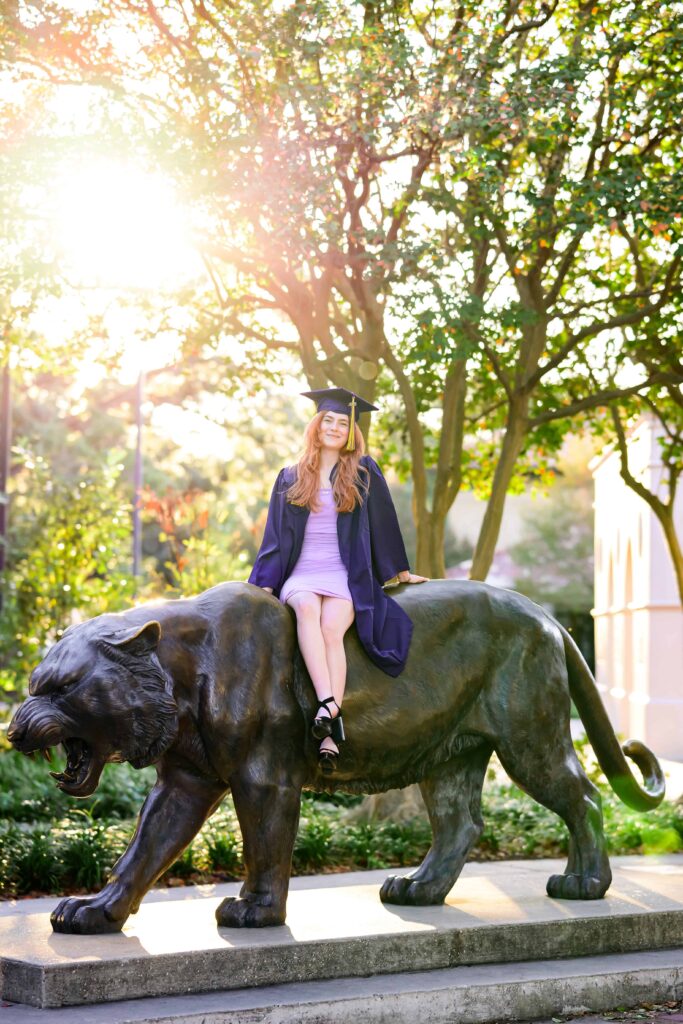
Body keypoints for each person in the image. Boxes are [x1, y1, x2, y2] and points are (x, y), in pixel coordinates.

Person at [248, 387, 428, 773]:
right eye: (327, 420)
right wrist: (264, 584)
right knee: (306, 608)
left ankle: (326, 725)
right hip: (302, 573)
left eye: (342, 423)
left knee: (333, 628)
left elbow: (384, 523)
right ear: (316, 425)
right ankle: (330, 709)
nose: (333, 427)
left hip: (346, 574)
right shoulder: (290, 476)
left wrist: (400, 571)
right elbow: (275, 537)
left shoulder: (363, 472)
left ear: (351, 431)